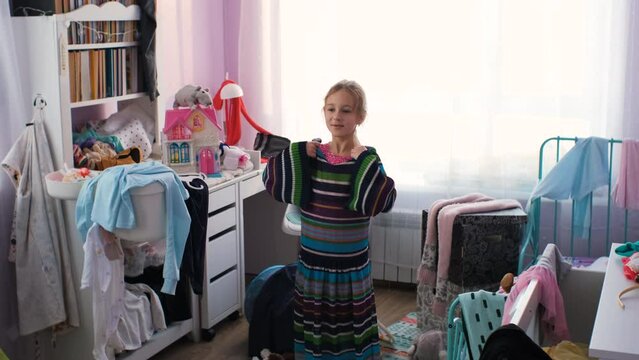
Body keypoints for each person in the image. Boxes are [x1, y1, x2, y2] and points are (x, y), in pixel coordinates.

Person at [262, 80, 397, 359]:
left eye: (346, 110)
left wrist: (363, 162)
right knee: (316, 321)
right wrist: (299, 151)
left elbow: (383, 200)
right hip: (313, 262)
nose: (337, 116)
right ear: (323, 111)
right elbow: (272, 180)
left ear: (360, 117)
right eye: (331, 109)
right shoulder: (311, 155)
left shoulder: (366, 159)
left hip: (349, 266)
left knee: (348, 322)